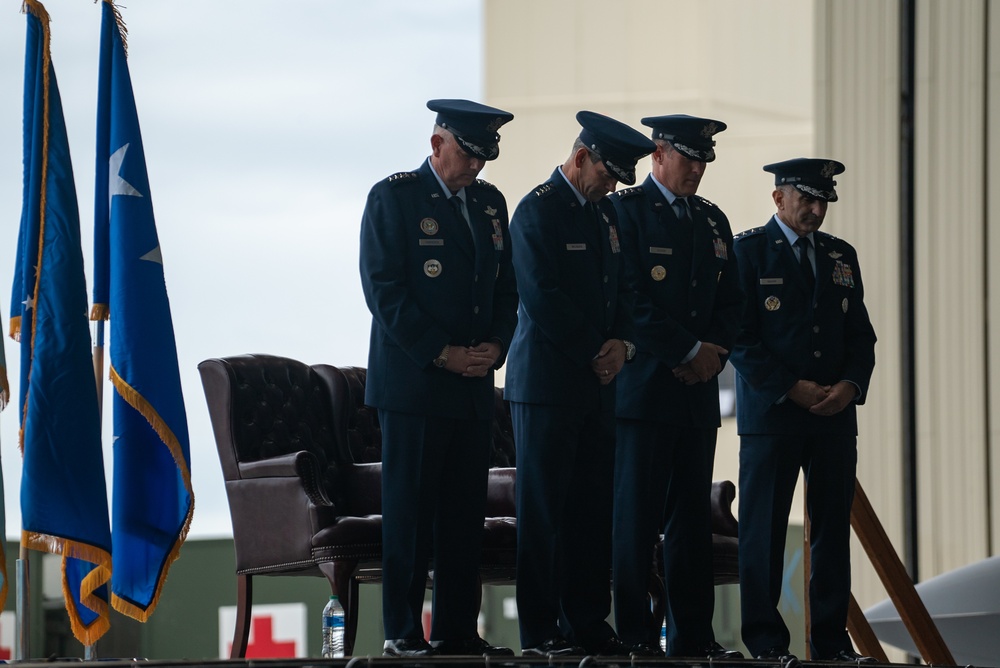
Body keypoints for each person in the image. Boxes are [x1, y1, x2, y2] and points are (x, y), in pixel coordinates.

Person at [359, 99, 518, 658]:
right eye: (467, 154)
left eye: (483, 157)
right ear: (437, 145)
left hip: (473, 386)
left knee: (461, 517)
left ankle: (456, 632)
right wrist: (441, 353)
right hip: (415, 387)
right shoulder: (394, 198)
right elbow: (384, 291)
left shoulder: (491, 205)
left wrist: (497, 344)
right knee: (409, 514)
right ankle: (402, 632)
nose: (476, 167)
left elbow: (507, 290)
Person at [504, 110, 654, 657]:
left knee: (592, 512)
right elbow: (541, 296)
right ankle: (541, 632)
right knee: (543, 514)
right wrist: (596, 348)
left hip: (598, 385)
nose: (612, 186)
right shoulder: (536, 211)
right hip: (546, 386)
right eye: (607, 174)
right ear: (581, 157)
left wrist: (625, 346)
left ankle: (587, 623)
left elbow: (627, 295)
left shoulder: (604, 217)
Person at [730, 158, 877, 664]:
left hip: (834, 414)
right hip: (773, 414)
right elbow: (739, 337)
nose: (816, 211)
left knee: (832, 531)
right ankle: (768, 644)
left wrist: (851, 387)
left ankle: (831, 645)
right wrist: (789, 387)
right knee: (763, 531)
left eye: (823, 202)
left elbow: (861, 336)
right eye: (806, 200)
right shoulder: (748, 252)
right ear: (779, 199)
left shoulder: (841, 255)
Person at [610, 114, 745, 659]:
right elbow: (629, 299)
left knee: (690, 521)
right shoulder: (626, 213)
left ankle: (693, 637)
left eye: (704, 161)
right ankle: (635, 635)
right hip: (642, 393)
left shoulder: (712, 221)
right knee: (635, 522)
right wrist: (688, 351)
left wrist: (711, 355)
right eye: (688, 158)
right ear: (658, 154)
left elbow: (733, 303)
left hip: (695, 395)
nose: (697, 170)